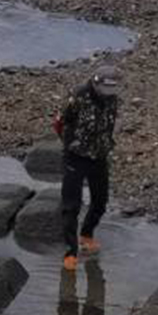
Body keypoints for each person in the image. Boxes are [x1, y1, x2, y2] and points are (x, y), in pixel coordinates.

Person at [53, 63, 119, 271]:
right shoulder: (79, 96)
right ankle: (70, 252)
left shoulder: (112, 98)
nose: (109, 93)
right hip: (76, 156)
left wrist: (107, 142)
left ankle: (87, 234)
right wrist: (70, 145)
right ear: (96, 83)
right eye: (106, 89)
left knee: (100, 201)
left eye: (113, 89)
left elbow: (111, 122)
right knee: (71, 205)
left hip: (99, 155)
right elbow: (60, 123)